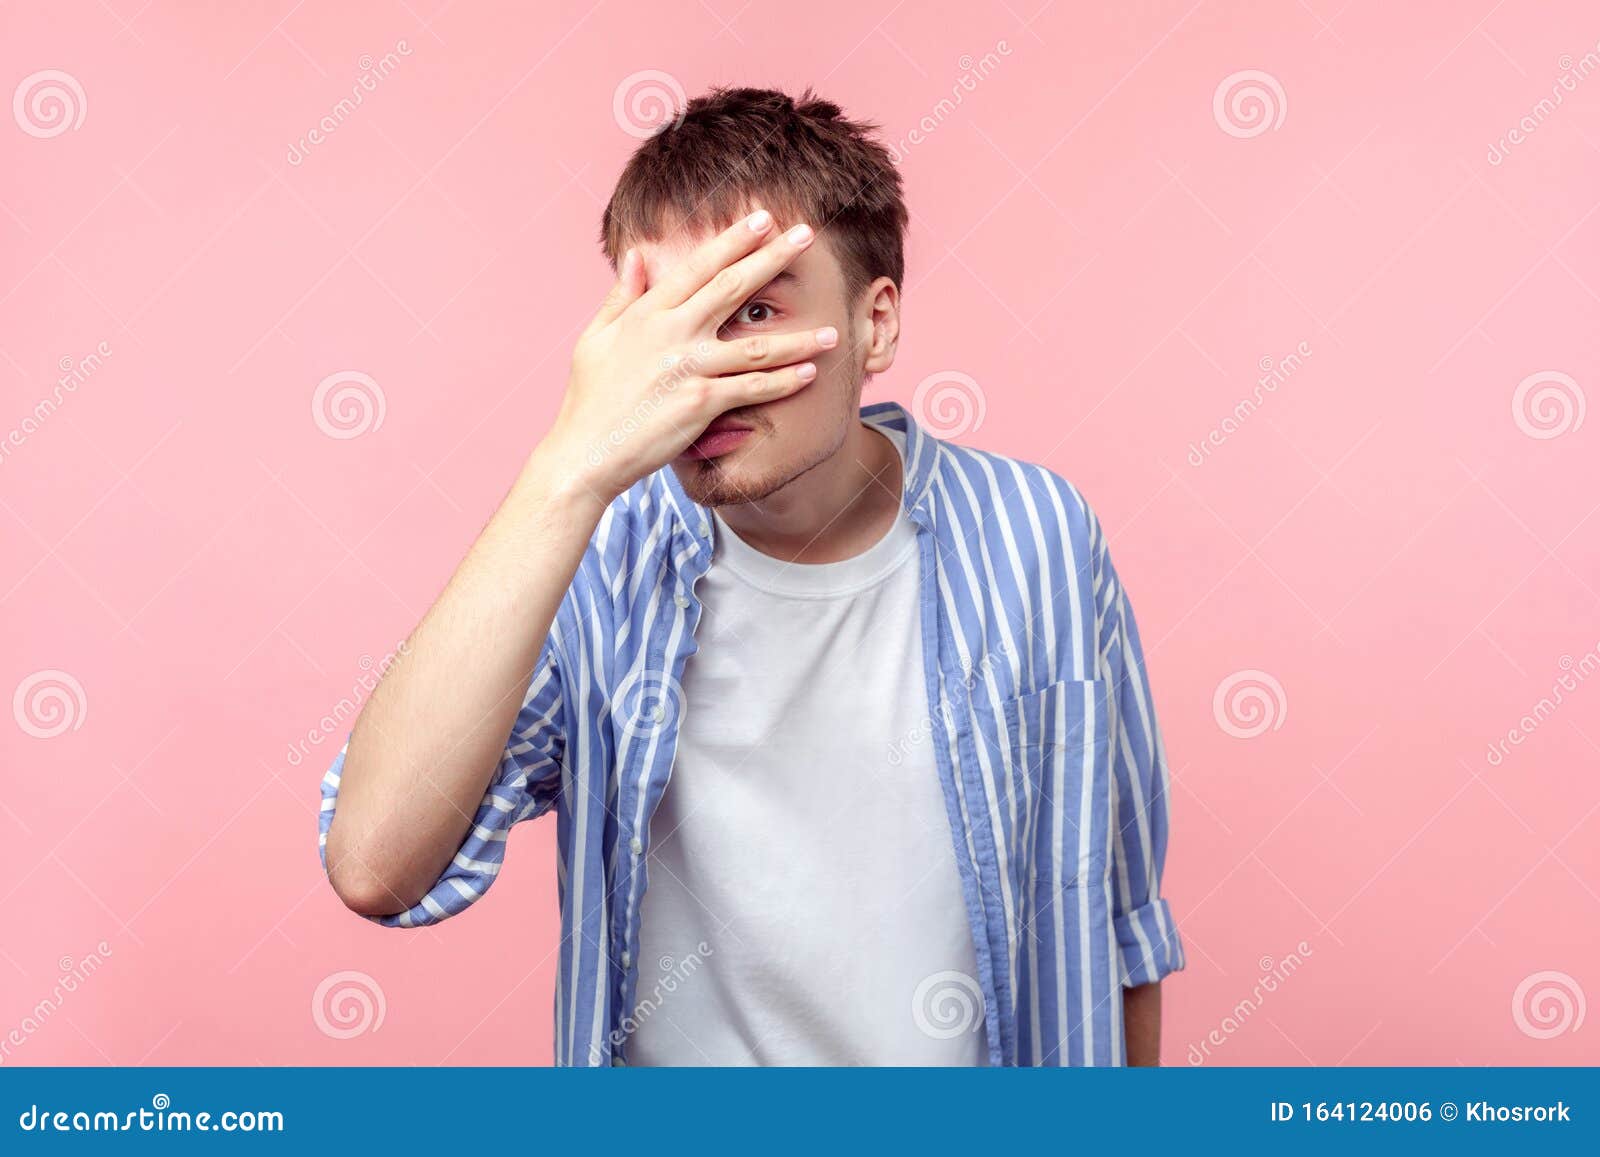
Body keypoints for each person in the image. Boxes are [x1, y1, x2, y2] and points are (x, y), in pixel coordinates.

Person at [318, 86, 1182, 1066]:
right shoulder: (597, 556)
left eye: (756, 311)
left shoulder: (1042, 536)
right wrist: (568, 466)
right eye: (670, 325)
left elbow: (1115, 920)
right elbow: (376, 861)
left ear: (876, 324)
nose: (704, 374)